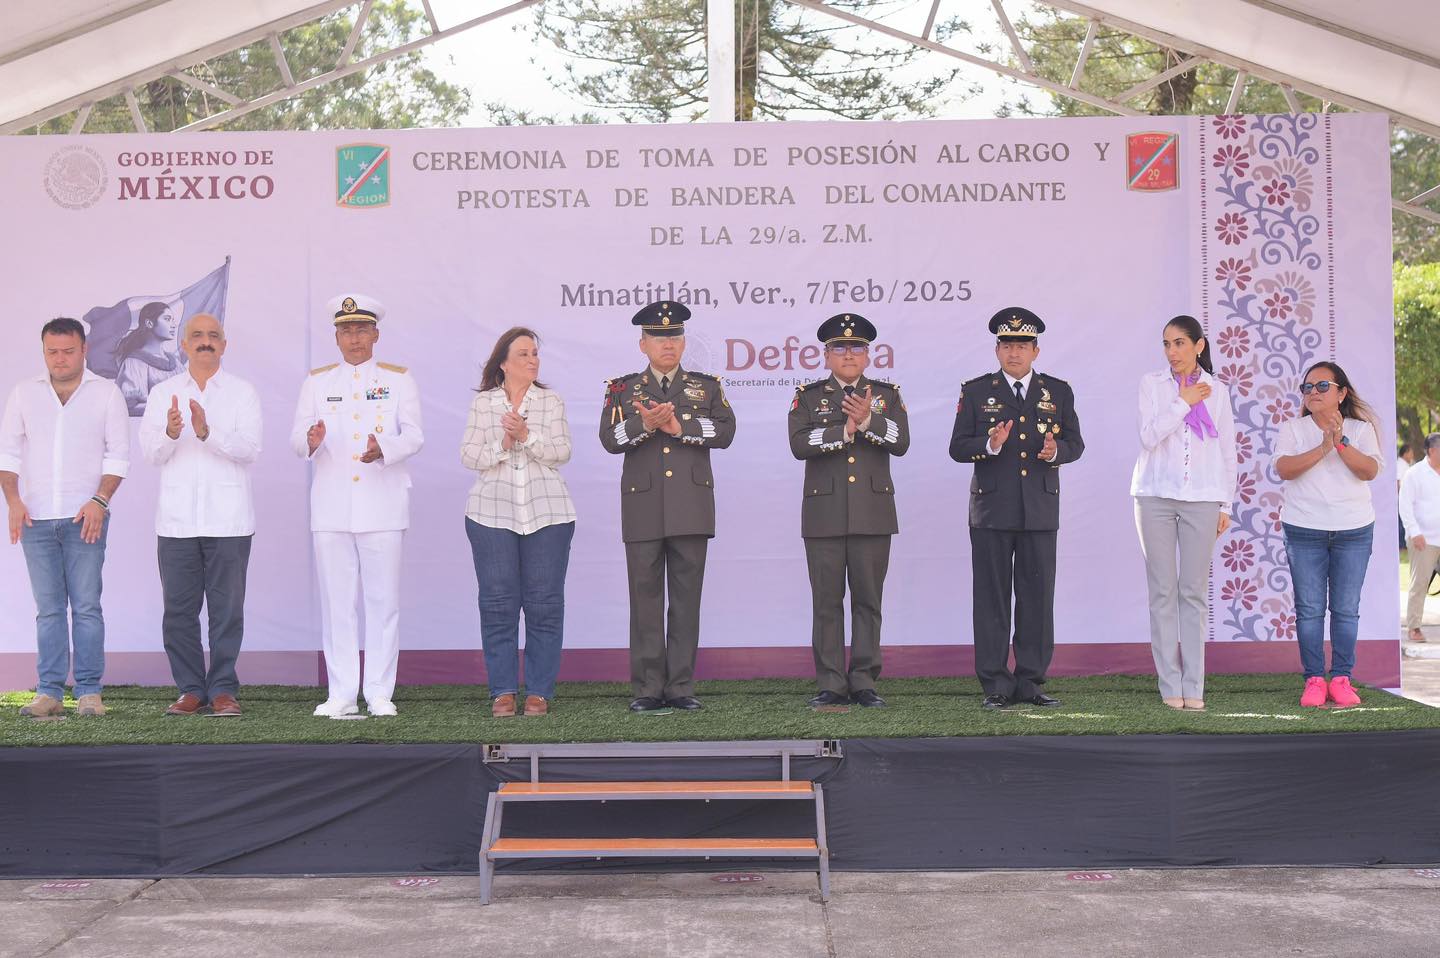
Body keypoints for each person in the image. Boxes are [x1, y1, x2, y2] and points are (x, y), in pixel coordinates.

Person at [598, 301, 735, 713]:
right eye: (658, 339)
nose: (667, 345)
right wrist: (645, 424)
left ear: (683, 342)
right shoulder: (622, 389)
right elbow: (609, 438)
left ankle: (680, 687)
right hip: (642, 508)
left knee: (686, 600)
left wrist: (680, 427)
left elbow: (725, 432)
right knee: (645, 602)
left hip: (691, 508)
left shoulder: (706, 386)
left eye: (674, 338)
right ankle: (646, 688)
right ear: (643, 345)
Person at [291, 294, 424, 719]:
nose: (354, 338)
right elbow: (297, 437)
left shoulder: (398, 379)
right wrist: (309, 442)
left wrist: (383, 447)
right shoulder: (317, 382)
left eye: (362, 329)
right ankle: (342, 692)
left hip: (382, 504)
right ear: (336, 336)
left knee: (383, 602)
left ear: (376, 334)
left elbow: (415, 435)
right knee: (338, 603)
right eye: (346, 330)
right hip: (331, 507)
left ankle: (381, 692)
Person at [949, 306, 1084, 709]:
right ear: (997, 350)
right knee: (992, 599)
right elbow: (958, 447)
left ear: (1036, 351)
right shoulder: (976, 391)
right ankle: (995, 683)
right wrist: (990, 444)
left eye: (1022, 345)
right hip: (992, 511)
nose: (1014, 352)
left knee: (1037, 598)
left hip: (1040, 510)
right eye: (1007, 344)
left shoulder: (1057, 391)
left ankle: (1031, 681)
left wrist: (1055, 450)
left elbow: (1076, 444)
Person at [1, 318, 129, 718]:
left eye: (68, 351)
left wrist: (99, 500)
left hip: (84, 517)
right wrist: (14, 501)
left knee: (87, 605)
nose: (60, 359)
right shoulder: (24, 393)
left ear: (84, 349)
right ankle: (49, 692)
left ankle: (89, 691)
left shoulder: (106, 394)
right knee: (49, 609)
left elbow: (118, 456)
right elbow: (8, 454)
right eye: (52, 351)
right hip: (36, 518)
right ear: (44, 351)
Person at [139, 313, 261, 717]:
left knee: (227, 611)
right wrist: (173, 432)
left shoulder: (242, 393)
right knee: (178, 611)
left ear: (224, 345)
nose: (205, 342)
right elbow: (151, 454)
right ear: (184, 345)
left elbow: (250, 449)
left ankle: (224, 688)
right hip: (176, 523)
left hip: (229, 521)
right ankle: (191, 689)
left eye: (213, 336)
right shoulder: (163, 394)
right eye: (197, 336)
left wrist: (207, 433)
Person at [788, 314, 909, 708]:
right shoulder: (808, 395)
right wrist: (843, 430)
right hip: (824, 514)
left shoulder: (886, 395)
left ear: (868, 354)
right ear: (826, 355)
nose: (849, 354)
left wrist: (869, 419)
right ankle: (830, 682)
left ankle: (863, 680)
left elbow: (900, 440)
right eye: (840, 348)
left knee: (868, 601)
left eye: (856, 347)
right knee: (826, 602)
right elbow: (799, 443)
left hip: (872, 513)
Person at [460, 327, 576, 717]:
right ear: (504, 362)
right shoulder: (484, 404)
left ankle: (540, 692)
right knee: (497, 605)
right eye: (524, 354)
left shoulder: (550, 400)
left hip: (549, 514)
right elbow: (470, 456)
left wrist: (525, 435)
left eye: (535, 354)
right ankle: (503, 692)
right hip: (491, 514)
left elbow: (562, 452)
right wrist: (502, 445)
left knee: (544, 604)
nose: (532, 360)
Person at [1130, 315, 1237, 711]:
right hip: (1154, 495)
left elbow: (1228, 450)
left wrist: (1226, 503)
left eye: (1179, 343)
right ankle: (1168, 684)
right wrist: (1183, 402)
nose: (1172, 352)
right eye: (1166, 344)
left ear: (1199, 345)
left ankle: (1195, 686)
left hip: (1204, 498)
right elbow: (1148, 436)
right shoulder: (1152, 385)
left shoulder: (1219, 391)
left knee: (1193, 592)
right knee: (1162, 591)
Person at [1274, 361, 1382, 708]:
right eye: (1307, 387)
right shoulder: (1293, 428)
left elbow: (1369, 470)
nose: (1313, 393)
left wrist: (1339, 442)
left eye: (1322, 386)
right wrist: (1323, 446)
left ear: (1342, 393)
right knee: (1309, 611)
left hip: (1354, 530)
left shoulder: (1361, 430)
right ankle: (1315, 680)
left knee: (1346, 609)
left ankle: (1341, 679)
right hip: (1304, 529)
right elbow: (1284, 469)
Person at [1400, 433, 1440, 644]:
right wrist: (1414, 532)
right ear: (1432, 451)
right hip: (1423, 538)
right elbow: (1405, 504)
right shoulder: (1415, 473)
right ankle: (1414, 627)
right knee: (1420, 583)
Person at [114, 301, 183, 416]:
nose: (173, 325)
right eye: (167, 319)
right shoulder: (134, 363)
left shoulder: (175, 363)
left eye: (172, 320)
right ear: (149, 323)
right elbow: (129, 406)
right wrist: (167, 409)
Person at [1397, 443, 1415, 550]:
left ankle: (1403, 544)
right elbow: (1398, 481)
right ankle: (1401, 545)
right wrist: (1401, 498)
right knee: (1401, 522)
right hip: (1401, 498)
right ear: (1405, 453)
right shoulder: (1400, 465)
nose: (1412, 455)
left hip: (1405, 498)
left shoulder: (1405, 465)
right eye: (1411, 453)